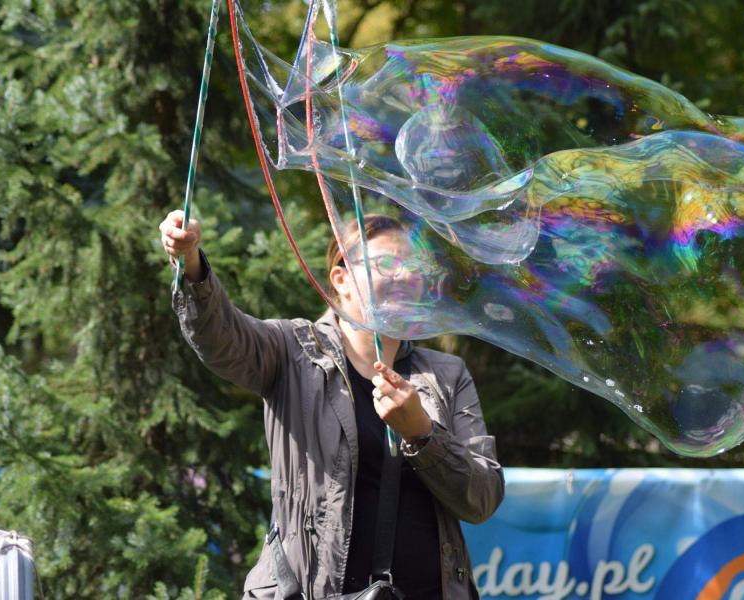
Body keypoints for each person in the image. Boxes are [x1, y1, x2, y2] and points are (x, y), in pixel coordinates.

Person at [161, 210, 504, 599]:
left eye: (414, 267)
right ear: (340, 279)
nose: (405, 277)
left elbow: (482, 498)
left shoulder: (446, 374)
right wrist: (191, 263)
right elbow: (221, 337)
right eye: (386, 265)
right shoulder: (292, 351)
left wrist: (422, 434)